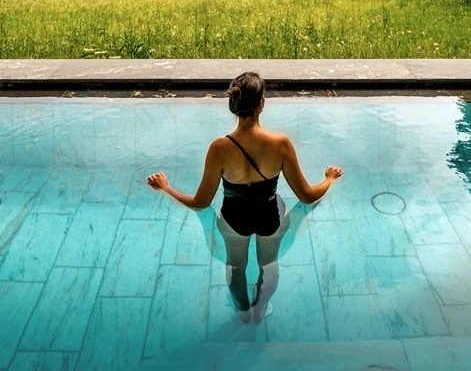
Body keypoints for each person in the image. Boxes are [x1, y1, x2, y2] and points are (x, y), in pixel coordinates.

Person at [147, 71, 344, 323]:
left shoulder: (219, 148)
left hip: (234, 221)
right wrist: (328, 179)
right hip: (269, 218)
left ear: (233, 106)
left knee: (236, 266)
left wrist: (166, 187)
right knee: (269, 264)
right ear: (261, 104)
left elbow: (201, 203)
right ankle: (260, 309)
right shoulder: (280, 143)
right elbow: (306, 196)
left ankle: (242, 311)